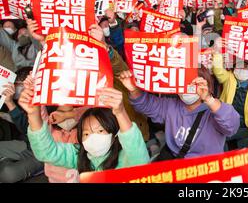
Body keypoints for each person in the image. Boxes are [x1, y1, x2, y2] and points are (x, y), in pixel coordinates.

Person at [18, 75, 150, 178]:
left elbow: (139, 159)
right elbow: (46, 152)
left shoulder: (125, 157)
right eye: (86, 134)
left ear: (114, 133)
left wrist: (120, 112)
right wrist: (33, 115)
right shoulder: (80, 156)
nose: (93, 138)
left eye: (100, 130)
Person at [118, 67, 240, 161]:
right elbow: (145, 104)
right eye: (183, 83)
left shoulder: (214, 110)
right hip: (177, 163)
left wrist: (209, 99)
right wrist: (133, 89)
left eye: (193, 85)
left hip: (206, 168)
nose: (187, 89)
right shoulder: (171, 106)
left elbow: (232, 126)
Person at [211, 38, 248, 150]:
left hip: (245, 127)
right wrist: (216, 52)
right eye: (238, 66)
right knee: (217, 145)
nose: (241, 69)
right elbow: (218, 70)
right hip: (226, 124)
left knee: (247, 146)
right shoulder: (229, 78)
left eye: (246, 67)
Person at [0, 67, 44, 183]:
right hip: (26, 144)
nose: (13, 89)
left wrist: (10, 103)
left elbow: (29, 128)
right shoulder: (20, 101)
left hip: (43, 152)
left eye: (16, 85)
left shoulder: (42, 100)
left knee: (8, 173)